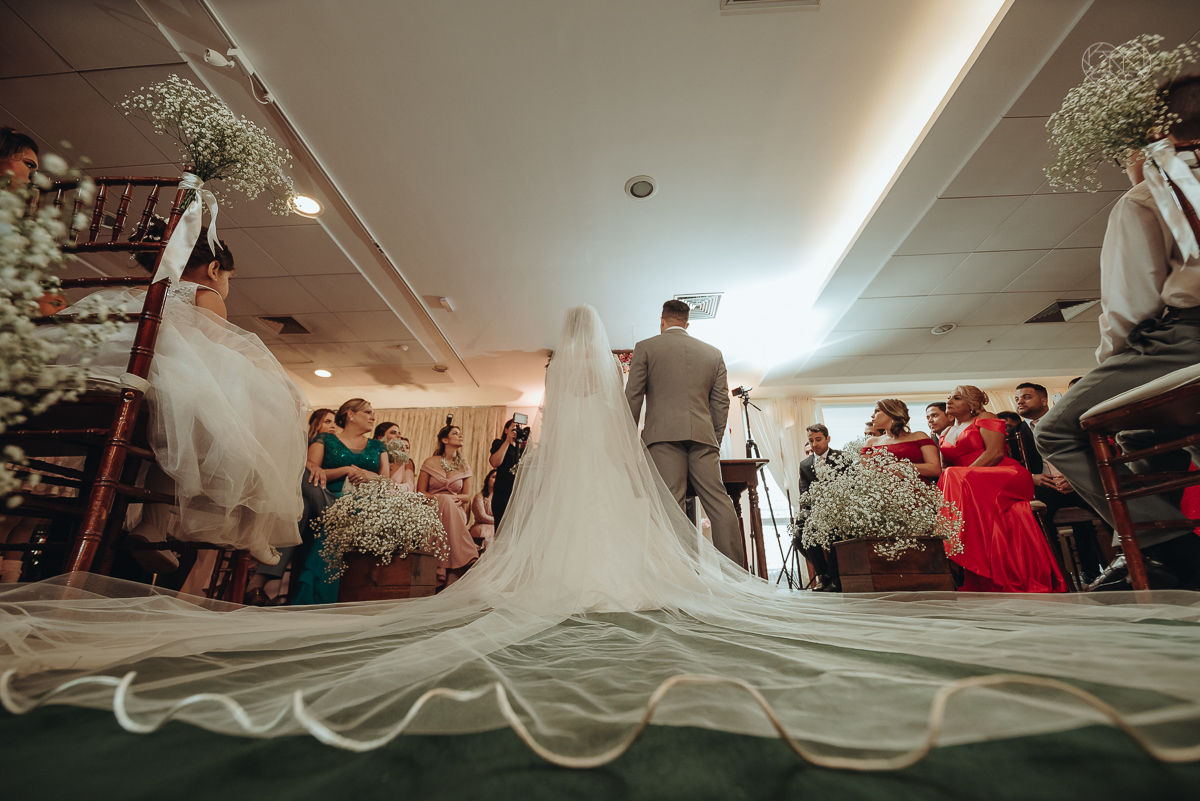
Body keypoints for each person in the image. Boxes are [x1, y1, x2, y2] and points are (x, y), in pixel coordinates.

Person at [4, 304, 1200, 766]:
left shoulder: (614, 377)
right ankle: (722, 572)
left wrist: (630, 428)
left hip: (649, 436)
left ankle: (691, 560)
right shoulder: (702, 352)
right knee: (710, 511)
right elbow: (709, 385)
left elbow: (627, 413)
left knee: (658, 499)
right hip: (695, 438)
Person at [44, 223, 307, 570]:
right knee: (250, 411)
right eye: (229, 277)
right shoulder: (202, 293)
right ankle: (249, 527)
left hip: (102, 387)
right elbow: (213, 354)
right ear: (214, 269)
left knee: (186, 414)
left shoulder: (137, 293)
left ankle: (149, 525)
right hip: (159, 389)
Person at [1037, 76, 1200, 591]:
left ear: (1157, 134)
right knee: (1141, 433)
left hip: (1189, 337)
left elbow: (1130, 308)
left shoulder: (1151, 193)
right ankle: (1145, 556)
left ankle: (1172, 550)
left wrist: (1109, 371)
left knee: (1062, 428)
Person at [625, 299, 743, 565]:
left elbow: (633, 397)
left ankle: (684, 575)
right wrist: (714, 438)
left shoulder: (646, 347)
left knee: (671, 503)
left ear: (662, 321)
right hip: (703, 437)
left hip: (662, 437)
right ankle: (737, 575)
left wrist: (627, 439)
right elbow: (721, 403)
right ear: (687, 324)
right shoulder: (713, 353)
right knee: (719, 502)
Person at [939, 386, 1067, 593]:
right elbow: (944, 469)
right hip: (970, 484)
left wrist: (964, 477)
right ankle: (960, 546)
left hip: (1002, 474)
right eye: (948, 397)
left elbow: (996, 453)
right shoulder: (945, 432)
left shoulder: (985, 417)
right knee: (949, 475)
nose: (949, 401)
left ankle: (951, 543)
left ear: (972, 403)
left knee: (953, 474)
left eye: (956, 397)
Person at [292, 399, 388, 605]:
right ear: (351, 415)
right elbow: (312, 473)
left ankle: (325, 597)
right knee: (333, 521)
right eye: (368, 412)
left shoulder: (377, 446)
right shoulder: (325, 439)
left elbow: (386, 480)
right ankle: (315, 598)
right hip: (327, 498)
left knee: (344, 516)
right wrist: (345, 470)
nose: (373, 417)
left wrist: (368, 475)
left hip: (367, 500)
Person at [241, 408, 340, 605]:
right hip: (280, 491)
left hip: (305, 503)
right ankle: (332, 511)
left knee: (300, 506)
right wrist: (307, 463)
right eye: (328, 421)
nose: (332, 427)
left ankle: (259, 582)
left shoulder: (331, 445)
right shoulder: (301, 438)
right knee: (301, 492)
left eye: (334, 423)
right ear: (316, 423)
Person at [1016, 383, 1105, 584]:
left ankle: (1120, 564)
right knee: (1037, 519)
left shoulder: (1068, 422)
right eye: (1016, 399)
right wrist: (1031, 477)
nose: (1020, 401)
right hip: (1044, 487)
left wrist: (1074, 476)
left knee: (1107, 507)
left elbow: (1089, 451)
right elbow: (1011, 464)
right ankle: (1058, 576)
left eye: (1026, 397)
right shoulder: (1015, 433)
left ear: (1044, 400)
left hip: (1078, 482)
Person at [418, 424, 478, 588]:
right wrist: (436, 498)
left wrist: (454, 498)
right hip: (431, 508)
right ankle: (470, 555)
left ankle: (442, 568)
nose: (460, 436)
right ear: (445, 439)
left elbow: (467, 495)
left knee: (446, 500)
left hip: (456, 509)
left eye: (460, 433)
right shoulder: (430, 462)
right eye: (455, 433)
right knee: (443, 500)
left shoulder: (464, 466)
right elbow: (421, 491)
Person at [797, 424, 843, 591]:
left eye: (818, 440)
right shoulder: (804, 464)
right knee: (799, 535)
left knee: (834, 533)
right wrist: (809, 513)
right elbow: (804, 492)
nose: (814, 444)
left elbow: (851, 485)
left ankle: (835, 578)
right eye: (811, 441)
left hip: (840, 510)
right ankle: (823, 575)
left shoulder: (842, 457)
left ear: (827, 439)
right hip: (816, 512)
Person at [863, 400, 940, 484]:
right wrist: (889, 470)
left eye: (877, 411)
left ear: (891, 413)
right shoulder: (871, 443)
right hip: (880, 494)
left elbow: (935, 469)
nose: (872, 415)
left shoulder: (920, 437)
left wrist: (903, 466)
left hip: (919, 493)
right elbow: (865, 474)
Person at [488, 417, 527, 529]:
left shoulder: (522, 449)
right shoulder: (499, 443)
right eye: (515, 427)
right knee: (502, 528)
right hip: (503, 492)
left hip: (519, 492)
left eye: (520, 428)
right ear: (506, 430)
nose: (517, 430)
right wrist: (507, 441)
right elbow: (495, 462)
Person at [470, 469, 498, 551]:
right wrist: (500, 521)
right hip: (481, 527)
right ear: (487, 479)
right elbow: (482, 516)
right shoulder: (479, 497)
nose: (496, 480)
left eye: (498, 478)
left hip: (498, 527)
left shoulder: (501, 499)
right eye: (494, 477)